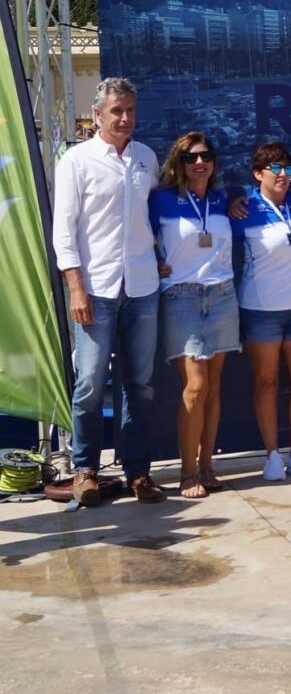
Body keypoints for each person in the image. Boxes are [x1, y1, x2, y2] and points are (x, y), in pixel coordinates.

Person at [53, 77, 165, 505]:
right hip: (95, 289)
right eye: (116, 111)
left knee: (139, 385)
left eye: (130, 110)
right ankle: (85, 469)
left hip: (142, 288)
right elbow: (63, 233)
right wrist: (76, 288)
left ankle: (138, 472)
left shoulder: (146, 158)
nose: (124, 118)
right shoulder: (76, 161)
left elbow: (154, 216)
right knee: (89, 384)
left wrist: (159, 256)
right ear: (97, 114)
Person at [150, 132, 239, 498]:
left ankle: (207, 466)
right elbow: (137, 238)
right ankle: (187, 473)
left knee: (213, 388)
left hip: (222, 295)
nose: (199, 163)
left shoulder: (221, 200)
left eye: (205, 156)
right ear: (178, 162)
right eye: (190, 157)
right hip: (181, 299)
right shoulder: (160, 200)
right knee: (195, 386)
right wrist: (151, 263)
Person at [232, 142, 291, 480]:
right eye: (276, 169)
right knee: (266, 383)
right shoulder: (244, 209)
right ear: (258, 174)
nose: (284, 174)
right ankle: (271, 455)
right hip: (261, 309)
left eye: (288, 168)